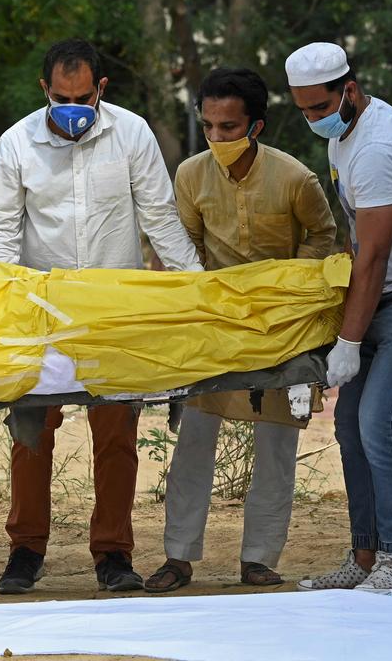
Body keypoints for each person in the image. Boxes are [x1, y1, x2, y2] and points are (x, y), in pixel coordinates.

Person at [0, 38, 204, 595]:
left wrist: (200, 292)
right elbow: (1, 233)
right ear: (45, 92)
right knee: (31, 432)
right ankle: (25, 551)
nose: (73, 107)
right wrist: (1, 304)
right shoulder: (16, 144)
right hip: (41, 312)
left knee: (116, 438)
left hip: (115, 310)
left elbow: (160, 218)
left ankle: (113, 554)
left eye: (83, 96)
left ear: (101, 90)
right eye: (62, 97)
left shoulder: (132, 135)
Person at [143, 67, 336, 593]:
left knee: (277, 446)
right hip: (213, 330)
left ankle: (258, 559)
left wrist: (287, 297)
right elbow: (180, 248)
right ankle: (178, 558)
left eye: (228, 127)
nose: (217, 138)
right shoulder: (189, 175)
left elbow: (323, 239)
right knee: (192, 445)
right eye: (208, 126)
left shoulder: (297, 178)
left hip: (286, 333)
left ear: (257, 127)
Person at [284, 42, 392, 594]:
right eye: (302, 110)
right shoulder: (345, 137)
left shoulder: (377, 147)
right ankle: (364, 555)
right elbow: (356, 245)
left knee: (378, 423)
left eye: (319, 107)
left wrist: (349, 340)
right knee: (351, 428)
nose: (312, 119)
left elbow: (374, 255)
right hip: (375, 294)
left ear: (348, 90)